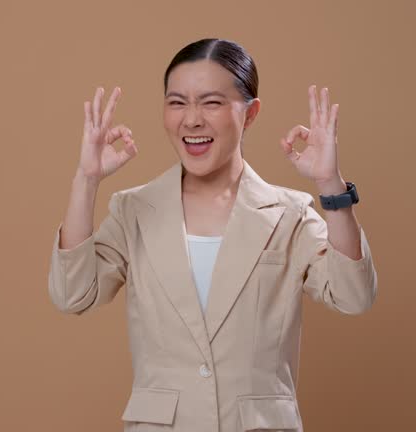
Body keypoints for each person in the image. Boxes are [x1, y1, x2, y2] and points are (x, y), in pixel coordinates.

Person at [48, 38, 378, 432]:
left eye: (212, 102)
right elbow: (72, 295)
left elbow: (353, 296)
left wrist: (330, 185)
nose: (192, 120)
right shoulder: (134, 210)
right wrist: (86, 181)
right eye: (177, 102)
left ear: (250, 113)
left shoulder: (288, 213)